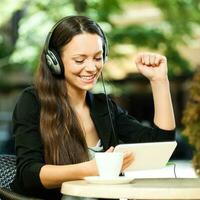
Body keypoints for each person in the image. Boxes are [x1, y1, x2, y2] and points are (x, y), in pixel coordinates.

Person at [10, 15, 176, 200]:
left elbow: (161, 144)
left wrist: (160, 81)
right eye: (80, 60)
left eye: (98, 58)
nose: (91, 68)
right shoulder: (33, 101)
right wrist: (93, 169)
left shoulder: (103, 107)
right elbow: (29, 174)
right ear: (54, 61)